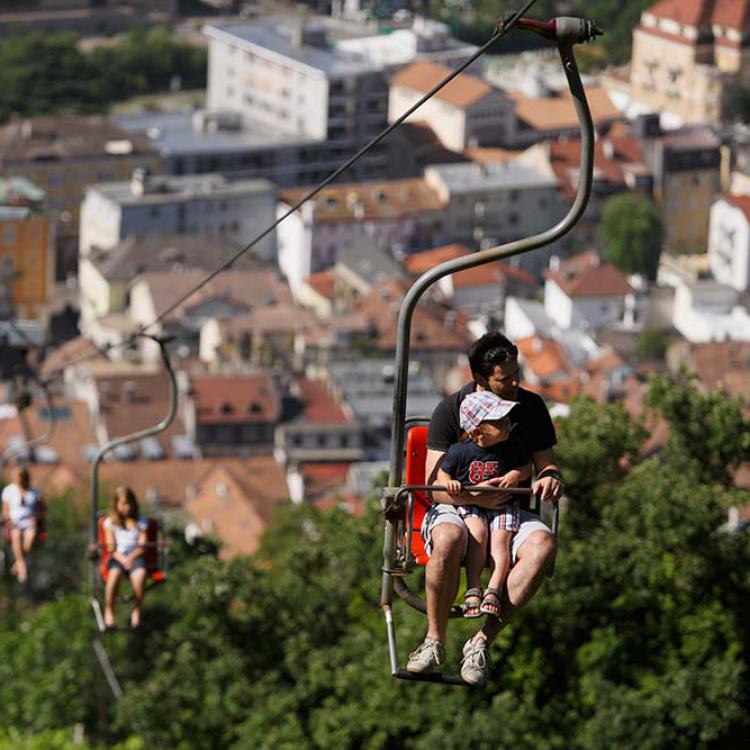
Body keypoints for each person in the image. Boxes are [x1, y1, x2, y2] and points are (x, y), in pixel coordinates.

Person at [406, 331, 564, 685]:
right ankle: (434, 640)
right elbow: (436, 487)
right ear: (481, 379)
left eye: (515, 374)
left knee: (543, 546)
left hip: (509, 510)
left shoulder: (531, 408)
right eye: (504, 379)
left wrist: (550, 478)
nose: (514, 383)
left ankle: (481, 641)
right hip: (459, 508)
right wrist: (475, 498)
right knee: (447, 537)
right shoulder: (451, 411)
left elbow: (545, 464)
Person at [437, 391, 531, 621]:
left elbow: (527, 468)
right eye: (500, 421)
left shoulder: (511, 446)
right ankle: (473, 588)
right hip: (474, 506)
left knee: (501, 541)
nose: (508, 424)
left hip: (502, 504)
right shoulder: (460, 451)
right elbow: (442, 473)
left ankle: (494, 589)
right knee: (477, 535)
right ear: (478, 432)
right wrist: (448, 483)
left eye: (507, 418)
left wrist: (514, 475)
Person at [103, 486, 148, 629]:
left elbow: (142, 545)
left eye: (129, 504)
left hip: (135, 557)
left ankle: (137, 609)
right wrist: (123, 559)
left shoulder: (141, 522)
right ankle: (109, 610)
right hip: (118, 558)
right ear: (116, 505)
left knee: (140, 576)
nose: (127, 507)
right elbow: (111, 548)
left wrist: (131, 558)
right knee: (114, 575)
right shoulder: (110, 523)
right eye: (123, 504)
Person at [1, 466, 41, 584]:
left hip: (29, 522)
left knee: (28, 544)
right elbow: (5, 510)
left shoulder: (34, 491)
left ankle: (17, 563)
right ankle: (22, 567)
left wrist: (36, 518)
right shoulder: (9, 491)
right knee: (16, 535)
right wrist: (9, 520)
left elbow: (40, 509)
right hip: (15, 522)